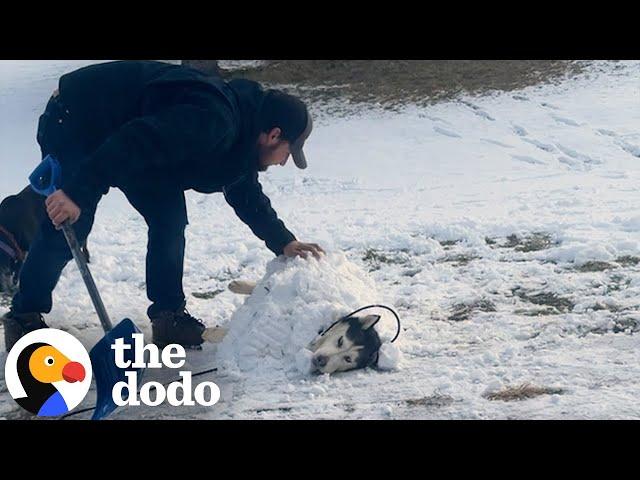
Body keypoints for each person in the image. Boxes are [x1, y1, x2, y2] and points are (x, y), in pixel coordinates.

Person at [2, 60, 324, 352]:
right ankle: (24, 316)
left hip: (131, 134)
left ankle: (169, 318)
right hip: (79, 117)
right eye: (288, 152)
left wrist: (284, 241)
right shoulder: (213, 120)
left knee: (168, 218)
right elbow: (133, 140)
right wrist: (76, 193)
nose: (284, 162)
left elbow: (245, 192)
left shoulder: (240, 136)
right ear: (273, 134)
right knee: (71, 221)